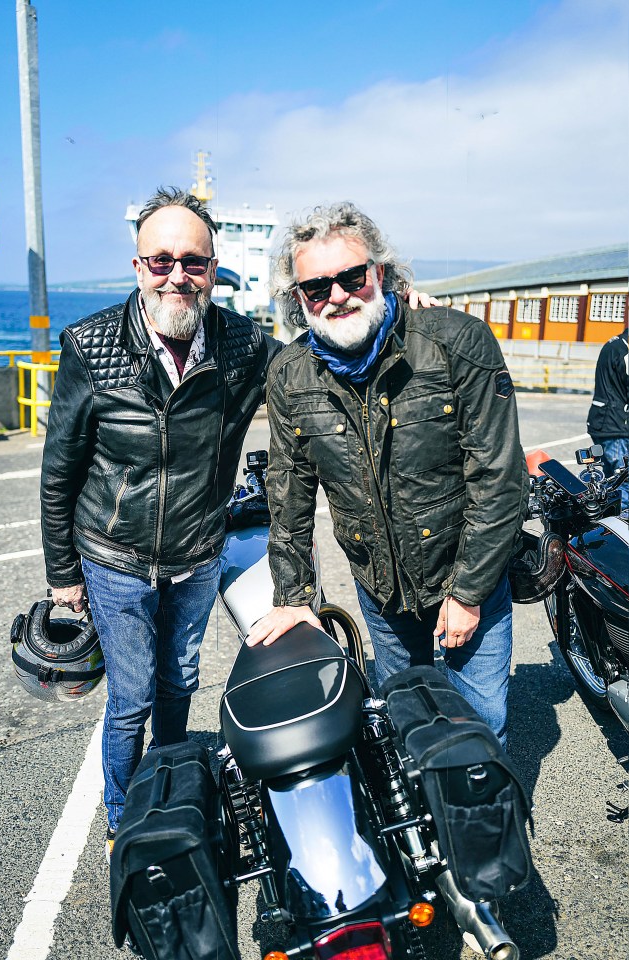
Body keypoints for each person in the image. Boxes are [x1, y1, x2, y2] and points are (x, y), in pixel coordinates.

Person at [40, 187, 282, 857]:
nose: (177, 275)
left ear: (213, 267)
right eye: (161, 260)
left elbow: (317, 364)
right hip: (114, 561)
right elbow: (59, 468)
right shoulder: (90, 345)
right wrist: (65, 575)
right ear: (138, 265)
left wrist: (408, 312)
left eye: (193, 262)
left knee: (180, 683)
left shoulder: (242, 345)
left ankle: (171, 792)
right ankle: (124, 818)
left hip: (198, 554)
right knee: (131, 701)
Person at [246, 202, 529, 747]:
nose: (337, 295)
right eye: (316, 287)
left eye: (353, 276)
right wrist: (292, 595)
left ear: (381, 273)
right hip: (379, 591)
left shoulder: (455, 343)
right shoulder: (289, 373)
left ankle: (478, 828)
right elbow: (288, 492)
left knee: (478, 728)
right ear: (297, 298)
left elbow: (499, 478)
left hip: (466, 575)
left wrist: (468, 593)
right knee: (404, 722)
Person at [586, 325, 629, 510]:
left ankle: (603, 524)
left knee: (610, 480)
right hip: (615, 424)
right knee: (623, 481)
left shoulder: (613, 344)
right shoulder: (624, 350)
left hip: (605, 421)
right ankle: (618, 529)